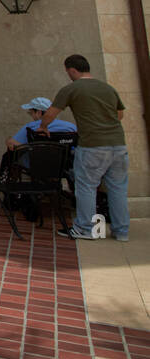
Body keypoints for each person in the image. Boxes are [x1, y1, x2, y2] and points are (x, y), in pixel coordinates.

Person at [37, 54, 128, 241]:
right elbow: (119, 114)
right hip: (118, 144)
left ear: (72, 70)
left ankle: (85, 228)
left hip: (92, 145)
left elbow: (50, 113)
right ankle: (121, 231)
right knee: (117, 188)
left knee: (86, 186)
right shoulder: (108, 88)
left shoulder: (71, 89)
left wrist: (43, 127)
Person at [2, 96, 77, 172]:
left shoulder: (32, 126)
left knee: (9, 154)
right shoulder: (71, 127)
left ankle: (3, 180)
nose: (31, 116)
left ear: (39, 112)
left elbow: (13, 144)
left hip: (36, 165)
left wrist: (8, 139)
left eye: (31, 113)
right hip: (63, 166)